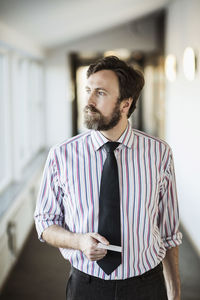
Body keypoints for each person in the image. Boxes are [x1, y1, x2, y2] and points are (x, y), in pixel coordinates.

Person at [34, 56, 182, 300]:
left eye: (100, 93)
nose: (89, 101)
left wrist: (175, 292)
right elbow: (45, 221)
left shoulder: (159, 153)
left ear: (125, 104)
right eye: (88, 90)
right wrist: (78, 241)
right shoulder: (61, 155)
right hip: (86, 286)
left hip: (147, 285)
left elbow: (169, 232)